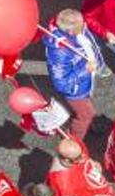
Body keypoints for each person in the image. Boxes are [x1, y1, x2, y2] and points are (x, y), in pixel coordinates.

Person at [43, 9, 105, 143]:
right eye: (81, 26)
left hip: (84, 83)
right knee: (85, 115)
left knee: (87, 110)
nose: (85, 26)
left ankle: (88, 124)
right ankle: (74, 142)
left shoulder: (77, 30)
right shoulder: (59, 52)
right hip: (75, 90)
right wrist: (85, 70)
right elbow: (61, 84)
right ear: (70, 31)